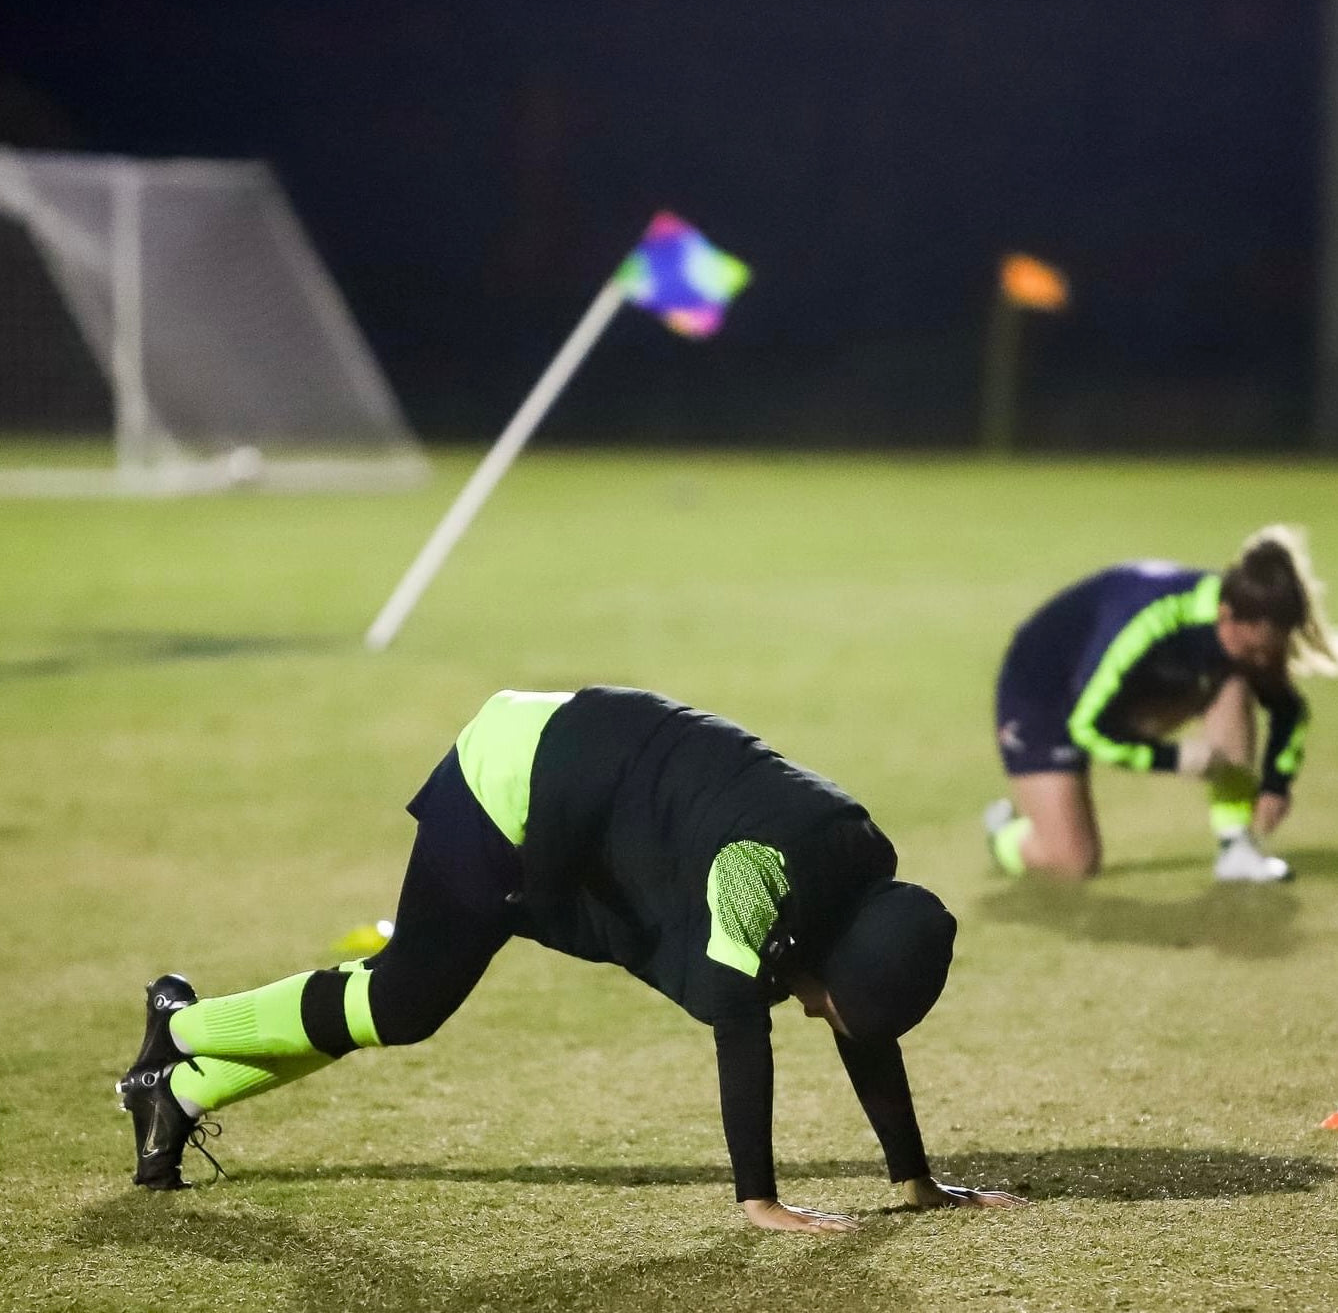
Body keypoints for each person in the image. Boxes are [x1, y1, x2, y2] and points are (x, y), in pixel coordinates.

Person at [117, 686, 1023, 1232]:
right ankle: (180, 1023)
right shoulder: (765, 874)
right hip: (514, 784)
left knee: (403, 998)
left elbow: (863, 1029)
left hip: (591, 805)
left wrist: (916, 1180)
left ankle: (180, 1094)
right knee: (403, 1004)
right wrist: (761, 1199)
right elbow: (738, 1024)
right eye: (832, 1005)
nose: (824, 1015)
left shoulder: (862, 872)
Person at [985, 525, 1337, 883]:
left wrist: (1276, 786)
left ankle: (1236, 848)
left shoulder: (1248, 625)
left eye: (1270, 652)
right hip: (1044, 690)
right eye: (1253, 650)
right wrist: (1173, 758)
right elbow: (1086, 725)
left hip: (1133, 690)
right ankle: (1001, 832)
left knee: (1235, 679)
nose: (1263, 661)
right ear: (1226, 615)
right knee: (1073, 862)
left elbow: (1288, 710)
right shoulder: (1151, 623)